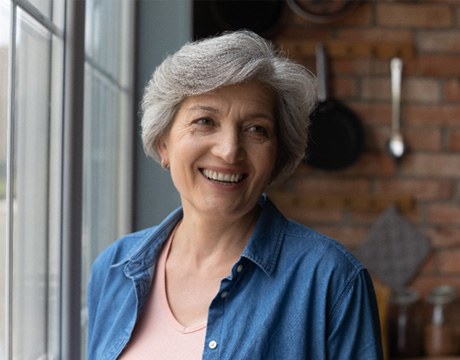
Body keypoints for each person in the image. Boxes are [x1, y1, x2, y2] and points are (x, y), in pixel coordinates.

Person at [87, 30, 383, 359]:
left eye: (256, 129)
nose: (229, 151)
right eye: (205, 121)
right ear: (163, 142)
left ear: (276, 156)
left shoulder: (332, 280)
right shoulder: (113, 269)